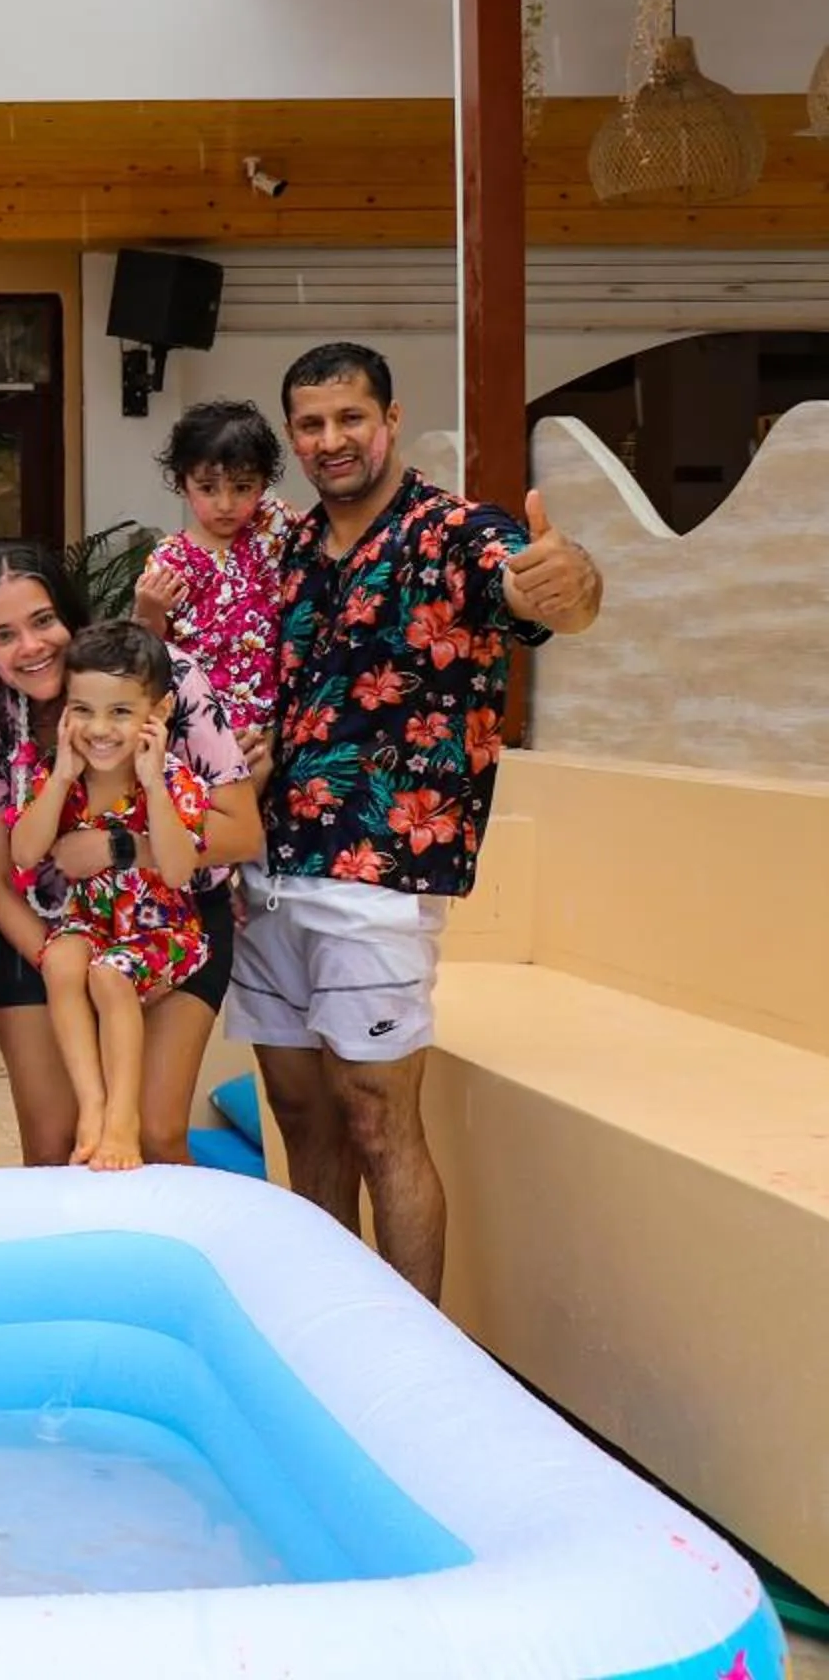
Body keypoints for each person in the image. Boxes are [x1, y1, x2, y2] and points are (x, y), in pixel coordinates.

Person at [231, 342, 603, 1302]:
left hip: (383, 871)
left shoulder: (455, 532)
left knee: (376, 1115)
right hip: (268, 868)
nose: (331, 439)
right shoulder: (289, 553)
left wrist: (566, 584)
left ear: (389, 420)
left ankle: (414, 1357)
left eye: (350, 418)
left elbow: (538, 588)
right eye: (311, 424)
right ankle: (329, 1326)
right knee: (299, 1113)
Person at [0, 543, 263, 1169]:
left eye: (43, 621)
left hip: (172, 913)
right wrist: (69, 962)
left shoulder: (161, 679)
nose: (31, 646)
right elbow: (0, 876)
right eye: (3, 635)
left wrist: (122, 849)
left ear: (73, 616)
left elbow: (242, 832)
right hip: (43, 927)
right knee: (52, 1143)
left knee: (156, 1133)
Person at [6, 621, 209, 1173]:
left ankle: (121, 1117)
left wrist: (154, 786)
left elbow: (178, 866)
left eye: (120, 712)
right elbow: (24, 852)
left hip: (164, 931)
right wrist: (60, 776)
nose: (100, 729)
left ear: (159, 713)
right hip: (94, 927)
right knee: (63, 957)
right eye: (84, 711)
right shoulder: (63, 777)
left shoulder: (173, 778)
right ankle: (91, 1105)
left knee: (109, 974)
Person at [136, 399, 296, 751]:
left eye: (242, 487)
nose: (225, 504)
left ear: (264, 483)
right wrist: (149, 609)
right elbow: (149, 650)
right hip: (197, 729)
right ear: (182, 483)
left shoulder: (274, 526)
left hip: (271, 726)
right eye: (208, 488)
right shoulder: (170, 559)